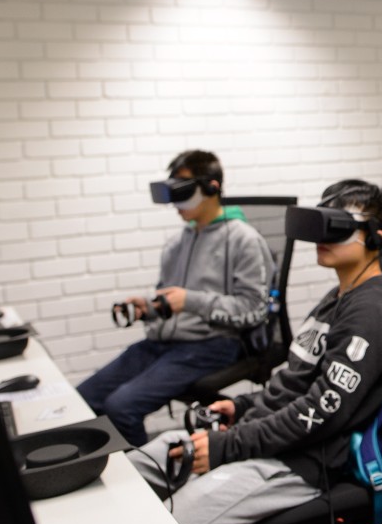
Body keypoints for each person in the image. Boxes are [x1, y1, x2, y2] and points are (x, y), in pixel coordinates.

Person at [130, 180, 382, 524]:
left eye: (337, 226)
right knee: (132, 470)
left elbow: (319, 411)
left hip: (300, 462)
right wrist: (241, 406)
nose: (320, 237)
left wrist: (228, 446)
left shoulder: (371, 312)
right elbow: (297, 381)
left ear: (375, 237)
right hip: (265, 437)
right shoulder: (339, 295)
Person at [78, 150, 273, 446]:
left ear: (212, 187)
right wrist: (149, 307)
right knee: (85, 399)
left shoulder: (244, 240)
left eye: (182, 187)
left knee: (121, 406)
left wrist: (190, 301)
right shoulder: (178, 242)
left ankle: (146, 481)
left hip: (213, 344)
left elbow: (253, 310)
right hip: (163, 343)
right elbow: (170, 298)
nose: (175, 203)